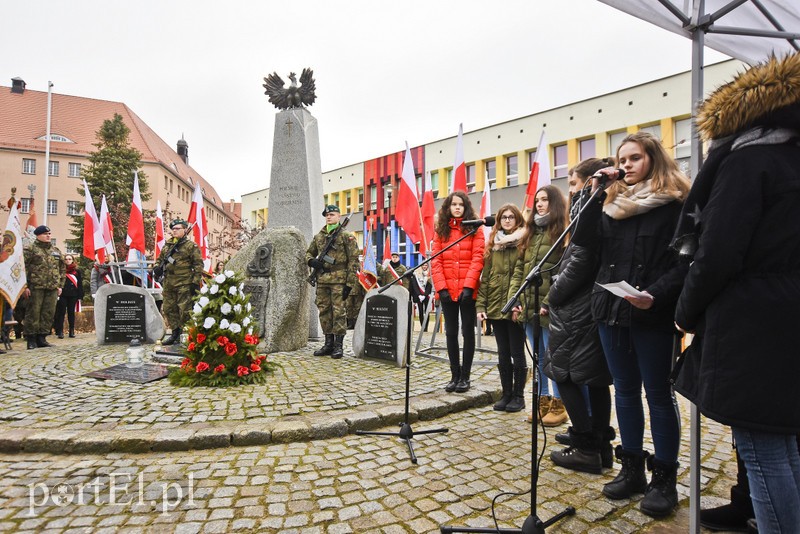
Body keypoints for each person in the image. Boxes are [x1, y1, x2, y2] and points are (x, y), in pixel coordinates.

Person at [672, 53, 800, 532]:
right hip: (782, 312)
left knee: (763, 451)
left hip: (753, 320)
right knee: (784, 443)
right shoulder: (789, 156)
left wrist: (685, 312)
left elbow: (718, 252)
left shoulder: (749, 161)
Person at [575, 131, 690, 518]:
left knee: (658, 394)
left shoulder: (674, 204)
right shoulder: (611, 204)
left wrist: (655, 295)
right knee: (624, 391)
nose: (625, 166)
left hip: (652, 312)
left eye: (634, 158)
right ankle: (631, 469)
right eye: (621, 160)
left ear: (653, 159)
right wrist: (594, 192)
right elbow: (584, 241)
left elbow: (684, 264)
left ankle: (664, 479)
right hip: (611, 310)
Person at [544, 159, 615, 475]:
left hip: (578, 310)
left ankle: (587, 445)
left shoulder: (591, 213)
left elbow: (581, 262)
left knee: (564, 373)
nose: (570, 191)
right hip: (585, 309)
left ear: (589, 184)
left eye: (573, 184)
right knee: (594, 378)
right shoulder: (590, 213)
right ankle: (597, 442)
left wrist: (552, 292)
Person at [509, 185, 569, 427]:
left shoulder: (562, 232)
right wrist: (515, 299)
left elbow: (563, 272)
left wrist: (548, 302)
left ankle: (559, 403)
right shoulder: (529, 233)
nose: (539, 204)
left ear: (554, 203)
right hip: (528, 306)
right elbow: (520, 271)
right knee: (537, 358)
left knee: (551, 357)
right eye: (537, 201)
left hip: (549, 307)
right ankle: (542, 401)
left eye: (544, 200)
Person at [431, 191, 485, 393]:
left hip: (466, 290)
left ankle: (465, 376)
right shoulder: (441, 231)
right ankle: (454, 375)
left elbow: (478, 257)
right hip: (447, 290)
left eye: (461, 205)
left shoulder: (474, 229)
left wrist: (469, 286)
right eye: (453, 204)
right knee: (451, 332)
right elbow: (435, 260)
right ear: (448, 207)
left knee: (467, 332)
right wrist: (441, 287)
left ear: (466, 207)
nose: (457, 208)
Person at [476, 203, 527, 412]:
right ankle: (506, 393)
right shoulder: (492, 246)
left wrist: (520, 302)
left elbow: (524, 275)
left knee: (517, 352)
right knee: (502, 353)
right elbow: (485, 279)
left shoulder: (524, 244)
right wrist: (481, 305)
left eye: (511, 217)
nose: (507, 220)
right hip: (496, 305)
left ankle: (519, 396)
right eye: (503, 217)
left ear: (517, 220)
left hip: (514, 306)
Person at [306, 204, 359, 359]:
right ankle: (328, 343)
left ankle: (338, 345)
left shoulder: (346, 236)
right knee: (324, 311)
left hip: (339, 280)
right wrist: (311, 262)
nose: (329, 217)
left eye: (332, 214)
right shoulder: (319, 236)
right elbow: (309, 252)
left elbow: (354, 261)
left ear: (338, 216)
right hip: (322, 279)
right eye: (327, 215)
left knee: (339, 312)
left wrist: (350, 284)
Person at [154, 219, 203, 346]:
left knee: (185, 310)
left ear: (185, 230)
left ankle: (186, 335)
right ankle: (175, 333)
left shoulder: (191, 246)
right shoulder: (168, 245)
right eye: (173, 229)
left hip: (184, 283)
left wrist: (195, 283)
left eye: (177, 229)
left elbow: (198, 265)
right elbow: (159, 260)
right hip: (169, 283)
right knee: (169, 309)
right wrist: (156, 268)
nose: (174, 231)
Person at [22, 225, 65, 350]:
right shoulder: (30, 249)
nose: (48, 236)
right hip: (35, 287)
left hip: (52, 287)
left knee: (48, 313)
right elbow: (22, 268)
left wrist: (60, 285)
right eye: (45, 234)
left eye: (49, 234)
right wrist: (25, 286)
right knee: (33, 313)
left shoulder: (55, 250)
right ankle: (31, 339)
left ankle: (42, 338)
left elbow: (62, 269)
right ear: (38, 235)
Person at [52, 254, 83, 338]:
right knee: (61, 313)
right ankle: (60, 331)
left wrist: (80, 296)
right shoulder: (61, 270)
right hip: (62, 294)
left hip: (73, 295)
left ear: (72, 260)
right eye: (66, 259)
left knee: (71, 313)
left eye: (69, 259)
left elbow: (79, 284)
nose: (68, 260)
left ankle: (71, 331)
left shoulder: (77, 271)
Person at [409, 262, 433, 331]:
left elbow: (429, 286)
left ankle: (426, 328)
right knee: (420, 312)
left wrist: (425, 295)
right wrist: (419, 294)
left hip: (427, 296)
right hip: (419, 296)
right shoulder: (416, 274)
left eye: (426, 265)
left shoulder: (429, 274)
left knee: (427, 312)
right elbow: (415, 285)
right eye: (423, 265)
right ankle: (422, 327)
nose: (425, 266)